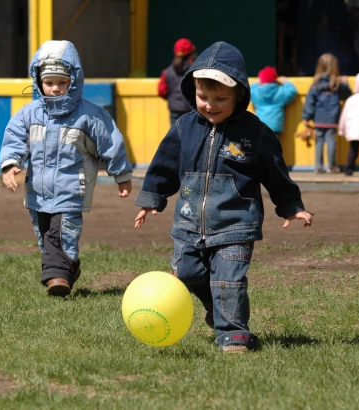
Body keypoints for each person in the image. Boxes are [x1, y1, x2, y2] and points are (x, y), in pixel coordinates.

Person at [133, 41, 313, 353]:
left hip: (235, 224)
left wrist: (290, 207)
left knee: (228, 280)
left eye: (220, 98)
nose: (210, 105)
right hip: (189, 224)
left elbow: (275, 172)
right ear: (193, 92)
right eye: (203, 97)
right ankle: (217, 310)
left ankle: (233, 335)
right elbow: (164, 164)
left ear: (239, 95)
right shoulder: (184, 127)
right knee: (187, 273)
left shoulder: (254, 132)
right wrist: (152, 198)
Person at [0, 40, 133, 297]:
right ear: (39, 82)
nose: (56, 89)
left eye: (62, 83)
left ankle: (58, 278)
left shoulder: (89, 115)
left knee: (62, 234)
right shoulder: (29, 114)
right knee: (45, 235)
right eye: (50, 83)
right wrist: (11, 165)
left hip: (72, 189)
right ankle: (66, 270)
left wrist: (122, 175)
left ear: (74, 81)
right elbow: (14, 139)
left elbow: (110, 143)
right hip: (37, 191)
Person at [302, 53, 353, 173]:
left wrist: (306, 117)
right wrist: (346, 83)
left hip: (318, 118)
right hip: (332, 118)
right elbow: (348, 95)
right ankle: (332, 166)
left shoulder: (315, 84)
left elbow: (310, 102)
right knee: (331, 141)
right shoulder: (337, 84)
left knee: (319, 141)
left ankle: (318, 166)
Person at [250, 66, 297, 138]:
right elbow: (292, 91)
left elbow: (250, 90)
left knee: (261, 147)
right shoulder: (280, 91)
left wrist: (257, 82)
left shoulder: (256, 92)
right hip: (276, 126)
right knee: (275, 148)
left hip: (260, 125)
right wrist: (286, 82)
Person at [158, 38, 197, 125]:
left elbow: (161, 91)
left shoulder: (167, 72)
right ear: (191, 54)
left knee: (176, 136)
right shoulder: (194, 71)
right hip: (191, 110)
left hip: (174, 110)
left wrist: (173, 99)